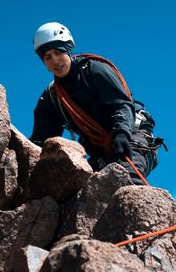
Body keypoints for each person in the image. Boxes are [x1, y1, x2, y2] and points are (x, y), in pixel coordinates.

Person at [29, 22, 164, 185]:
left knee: (127, 180)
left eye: (58, 52)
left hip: (131, 136)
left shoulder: (94, 70)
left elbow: (121, 104)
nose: (55, 61)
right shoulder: (52, 97)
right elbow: (40, 138)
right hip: (101, 152)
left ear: (68, 49)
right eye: (47, 57)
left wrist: (121, 132)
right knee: (80, 191)